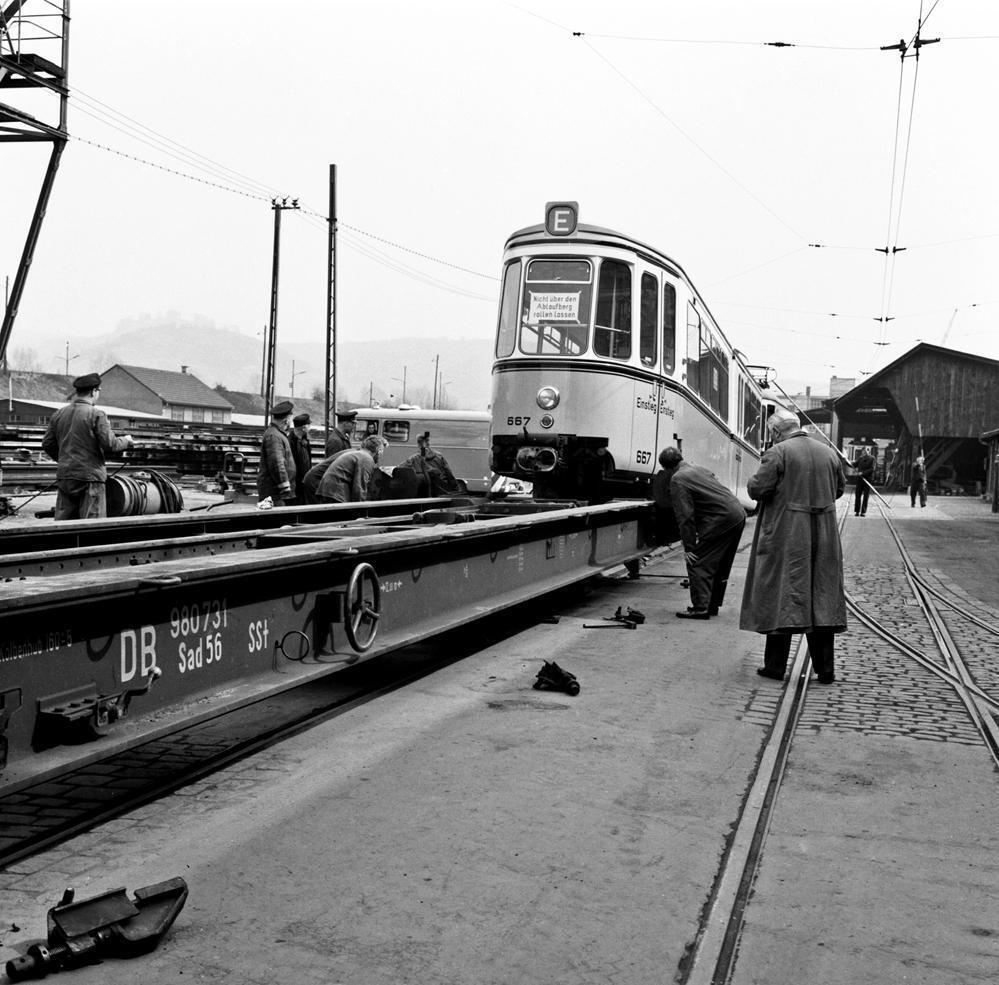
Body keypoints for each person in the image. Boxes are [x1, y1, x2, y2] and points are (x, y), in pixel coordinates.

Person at [740, 407, 847, 685]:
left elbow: (758, 489)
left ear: (776, 432)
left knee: (782, 593)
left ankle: (775, 667)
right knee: (821, 598)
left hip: (787, 533)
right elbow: (838, 489)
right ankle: (826, 670)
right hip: (824, 534)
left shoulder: (778, 452)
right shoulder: (828, 453)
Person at [652, 447, 746, 619]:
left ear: (666, 468)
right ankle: (712, 605)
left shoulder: (678, 479)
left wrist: (689, 547)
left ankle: (700, 608)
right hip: (737, 514)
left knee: (698, 560)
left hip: (721, 519)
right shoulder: (699, 468)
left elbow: (685, 516)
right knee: (719, 563)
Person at [41, 372, 134, 520]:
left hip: (66, 476)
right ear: (93, 391)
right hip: (90, 478)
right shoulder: (97, 414)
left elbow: (47, 444)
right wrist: (127, 440)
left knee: (64, 525)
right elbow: (110, 444)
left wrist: (66, 460)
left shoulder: (59, 414)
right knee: (91, 525)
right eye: (98, 391)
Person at [317, 435, 383, 503]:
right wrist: (360, 507)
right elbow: (359, 488)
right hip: (336, 492)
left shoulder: (359, 454)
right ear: (379, 451)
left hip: (327, 490)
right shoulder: (367, 459)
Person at [257, 400, 296, 505]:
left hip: (277, 493)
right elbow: (277, 463)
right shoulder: (274, 436)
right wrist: (284, 486)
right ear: (286, 419)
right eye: (291, 418)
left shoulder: (277, 434)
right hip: (275, 494)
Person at [400, 431, 460, 496]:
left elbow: (400, 468)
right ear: (428, 443)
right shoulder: (439, 456)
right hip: (442, 489)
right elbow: (449, 473)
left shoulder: (413, 459)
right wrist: (455, 487)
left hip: (425, 492)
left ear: (418, 445)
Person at [287, 413, 313, 503]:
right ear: (303, 428)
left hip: (303, 483)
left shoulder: (304, 440)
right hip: (295, 485)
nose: (310, 427)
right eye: (309, 425)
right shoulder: (289, 442)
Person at [852, 447, 876, 517]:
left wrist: (862, 473)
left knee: (866, 496)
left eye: (865, 451)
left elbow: (872, 469)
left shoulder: (872, 458)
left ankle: (863, 512)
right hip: (860, 480)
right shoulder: (860, 458)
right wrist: (846, 461)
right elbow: (854, 465)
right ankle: (857, 511)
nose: (864, 452)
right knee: (858, 495)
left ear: (869, 451)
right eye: (863, 451)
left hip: (867, 480)